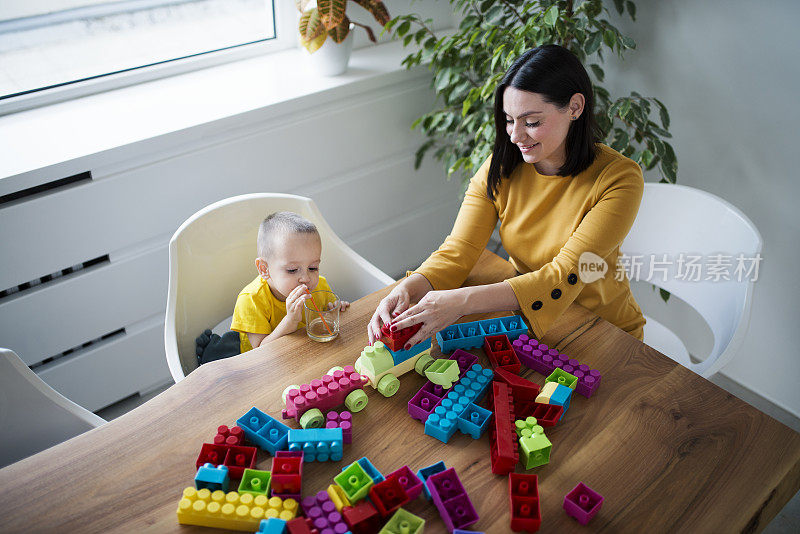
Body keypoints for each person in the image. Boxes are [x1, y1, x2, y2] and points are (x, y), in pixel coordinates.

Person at [367, 44, 646, 349]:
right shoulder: (502, 165)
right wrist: (410, 286)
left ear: (575, 107)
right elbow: (459, 250)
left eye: (532, 122)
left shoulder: (619, 179)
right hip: (527, 319)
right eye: (510, 120)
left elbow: (563, 275)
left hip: (604, 330)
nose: (515, 136)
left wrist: (461, 301)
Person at [196, 211, 349, 363]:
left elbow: (324, 315)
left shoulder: (319, 285)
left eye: (313, 267)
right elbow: (261, 350)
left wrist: (335, 308)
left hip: (302, 354)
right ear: (264, 269)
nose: (306, 278)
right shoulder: (251, 299)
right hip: (261, 363)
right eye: (292, 270)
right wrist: (290, 321)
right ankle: (212, 346)